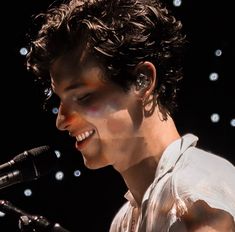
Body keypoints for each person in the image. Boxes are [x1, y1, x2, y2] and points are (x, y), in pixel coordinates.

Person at [25, 0, 235, 231]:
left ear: (142, 80)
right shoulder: (124, 221)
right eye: (60, 100)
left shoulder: (197, 192)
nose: (61, 121)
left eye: (83, 97)